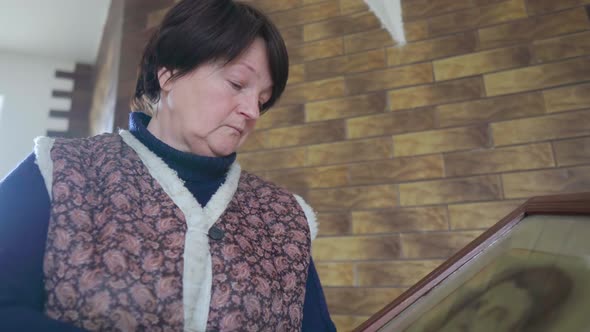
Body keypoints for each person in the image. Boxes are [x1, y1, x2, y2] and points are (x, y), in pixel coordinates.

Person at [0, 0, 337, 331]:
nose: (251, 111)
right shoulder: (58, 171)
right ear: (170, 72)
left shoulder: (283, 217)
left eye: (262, 101)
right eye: (237, 84)